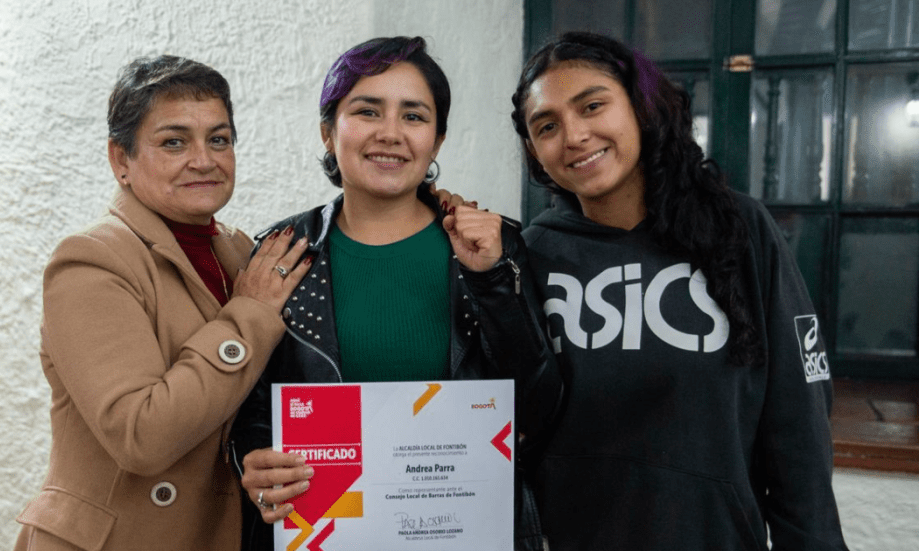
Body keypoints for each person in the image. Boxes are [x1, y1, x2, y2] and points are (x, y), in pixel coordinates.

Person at [510, 32, 848, 550]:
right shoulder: (532, 254)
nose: (573, 135)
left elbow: (798, 423)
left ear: (642, 107)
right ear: (534, 152)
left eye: (593, 105)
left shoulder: (738, 230)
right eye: (547, 126)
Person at [230, 36, 561, 550]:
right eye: (367, 111)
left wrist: (490, 279)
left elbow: (537, 406)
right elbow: (247, 407)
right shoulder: (281, 254)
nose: (390, 134)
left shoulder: (494, 245)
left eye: (413, 116)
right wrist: (253, 455)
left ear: (438, 139)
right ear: (327, 131)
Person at [13, 55, 310, 551]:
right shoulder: (91, 261)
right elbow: (141, 436)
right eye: (174, 142)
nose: (204, 159)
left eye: (219, 139)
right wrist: (250, 315)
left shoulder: (241, 253)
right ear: (120, 160)